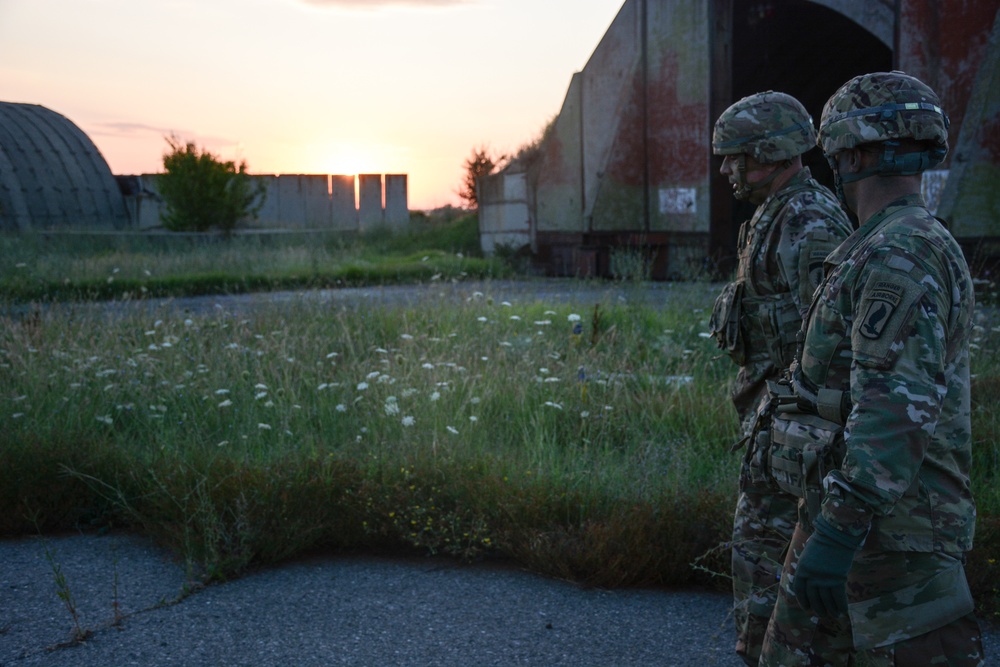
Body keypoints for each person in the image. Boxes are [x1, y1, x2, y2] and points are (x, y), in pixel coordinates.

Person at [758, 71, 986, 665]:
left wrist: (836, 535)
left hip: (889, 543)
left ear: (849, 152)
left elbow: (893, 409)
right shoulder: (882, 242)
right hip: (856, 519)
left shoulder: (899, 252)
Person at [708, 91, 852, 666]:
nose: (725, 169)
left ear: (768, 152)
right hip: (775, 427)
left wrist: (808, 438)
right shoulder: (774, 214)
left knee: (775, 568)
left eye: (734, 156)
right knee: (758, 562)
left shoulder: (809, 221)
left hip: (799, 438)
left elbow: (831, 343)